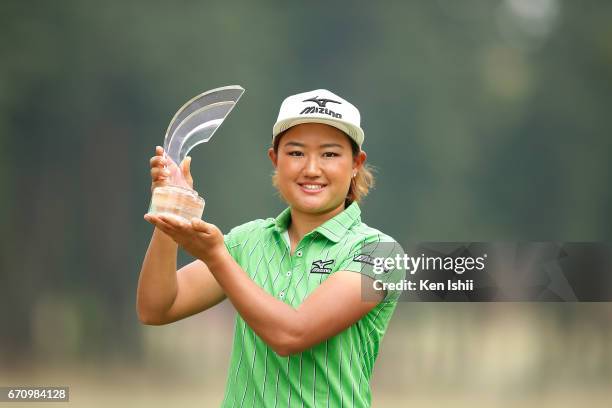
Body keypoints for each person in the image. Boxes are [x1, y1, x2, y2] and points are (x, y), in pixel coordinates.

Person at [138, 89, 404, 407]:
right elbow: (156, 308)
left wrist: (216, 257)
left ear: (356, 163)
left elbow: (292, 335)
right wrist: (173, 209)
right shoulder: (248, 240)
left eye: (330, 154)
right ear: (275, 160)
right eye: (295, 153)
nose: (311, 168)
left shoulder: (381, 253)